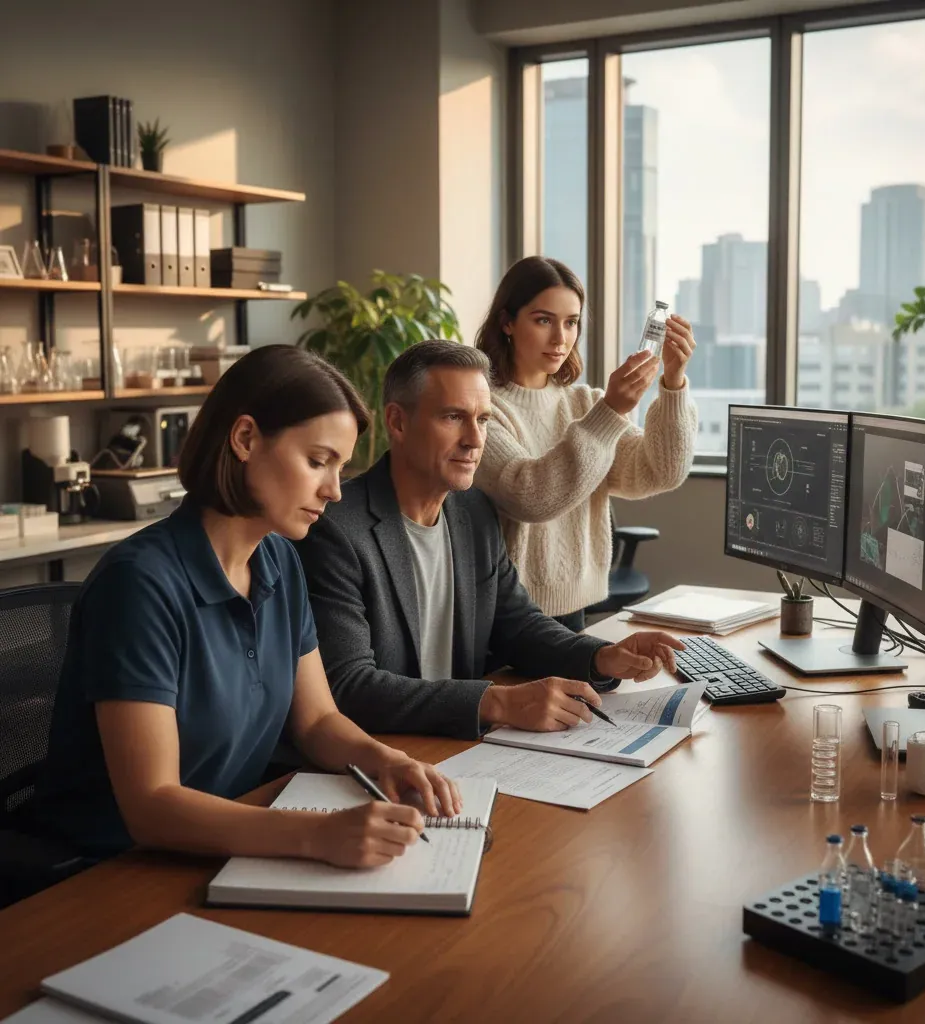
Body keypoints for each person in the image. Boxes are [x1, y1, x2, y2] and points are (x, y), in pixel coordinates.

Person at [30, 345, 459, 868]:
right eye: (317, 461)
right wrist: (317, 835)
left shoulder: (279, 559)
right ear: (245, 439)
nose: (334, 491)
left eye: (340, 467)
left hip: (229, 846)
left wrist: (386, 761)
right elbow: (151, 805)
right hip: (104, 871)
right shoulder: (138, 584)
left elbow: (317, 720)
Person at [294, 340, 684, 741]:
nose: (474, 439)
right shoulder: (336, 528)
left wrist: (602, 656)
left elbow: (518, 625)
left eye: (482, 420)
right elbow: (348, 685)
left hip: (460, 745)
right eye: (453, 417)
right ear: (397, 422)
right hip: (383, 750)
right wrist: (496, 702)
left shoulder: (473, 510)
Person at [473, 256, 698, 631]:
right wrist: (610, 411)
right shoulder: (482, 409)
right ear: (507, 322)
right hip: (507, 617)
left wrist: (673, 383)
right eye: (543, 320)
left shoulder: (586, 404)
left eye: (571, 322)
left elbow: (660, 471)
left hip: (575, 607)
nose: (560, 339)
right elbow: (531, 497)